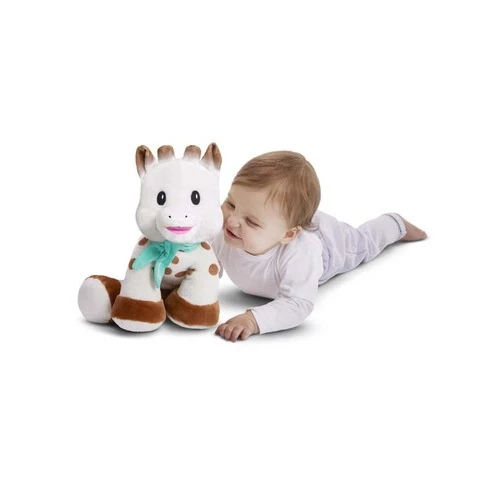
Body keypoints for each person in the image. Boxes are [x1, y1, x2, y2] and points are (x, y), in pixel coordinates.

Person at [211, 151, 427, 341]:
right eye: (231, 203)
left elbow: (298, 303)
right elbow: (206, 267)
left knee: (364, 244)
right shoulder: (225, 231)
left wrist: (253, 320)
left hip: (330, 243)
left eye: (251, 221)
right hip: (287, 223)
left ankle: (395, 223)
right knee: (284, 213)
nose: (231, 220)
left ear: (288, 234)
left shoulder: (300, 253)